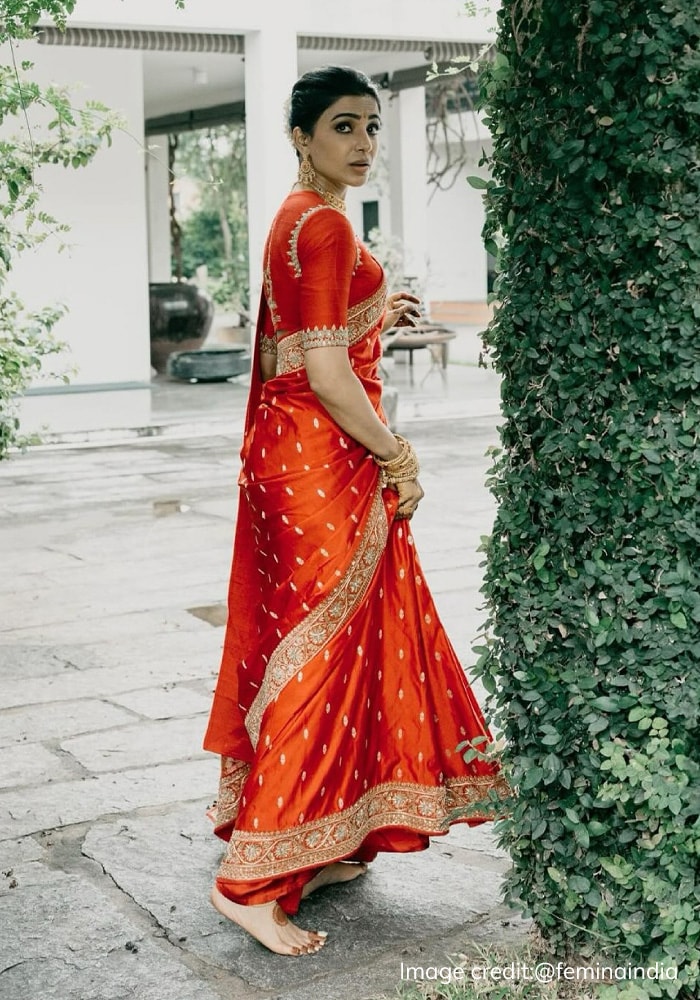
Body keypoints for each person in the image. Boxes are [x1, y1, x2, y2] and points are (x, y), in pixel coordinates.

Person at [203, 65, 506, 957]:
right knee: (321, 661)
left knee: (317, 649)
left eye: (371, 126)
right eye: (344, 127)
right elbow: (328, 373)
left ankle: (322, 835)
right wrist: (396, 453)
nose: (364, 143)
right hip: (323, 468)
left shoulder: (294, 216)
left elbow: (307, 342)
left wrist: (378, 307)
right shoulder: (328, 222)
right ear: (302, 136)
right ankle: (250, 881)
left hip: (284, 461)